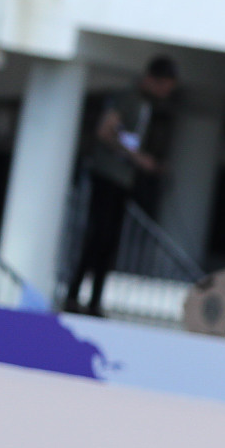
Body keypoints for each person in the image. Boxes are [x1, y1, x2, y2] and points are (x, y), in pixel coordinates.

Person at [70, 54, 178, 316]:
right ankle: (75, 295)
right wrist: (136, 158)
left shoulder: (143, 104)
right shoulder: (128, 97)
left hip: (122, 179)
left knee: (109, 242)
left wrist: (146, 162)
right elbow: (105, 130)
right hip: (107, 176)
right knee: (100, 237)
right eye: (165, 85)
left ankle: (94, 300)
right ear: (154, 80)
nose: (166, 92)